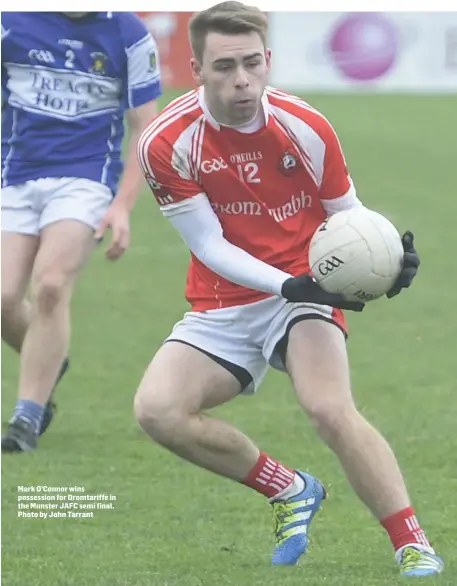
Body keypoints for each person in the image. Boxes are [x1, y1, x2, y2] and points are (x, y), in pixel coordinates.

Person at [135, 1, 443, 577]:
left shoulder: (306, 125)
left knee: (329, 408)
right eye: (224, 67)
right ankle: (291, 489)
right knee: (159, 411)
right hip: (227, 297)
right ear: (196, 68)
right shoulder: (166, 141)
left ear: (268, 59)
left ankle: (412, 541)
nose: (242, 79)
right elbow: (208, 245)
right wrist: (285, 283)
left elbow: (346, 213)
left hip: (309, 293)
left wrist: (391, 256)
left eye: (253, 63)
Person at [1, 11, 162, 453]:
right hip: (13, 175)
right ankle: (50, 361)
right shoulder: (11, 22)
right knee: (2, 298)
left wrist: (123, 206)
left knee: (51, 284)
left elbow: (145, 129)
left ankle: (26, 417)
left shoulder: (128, 34)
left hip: (86, 179)